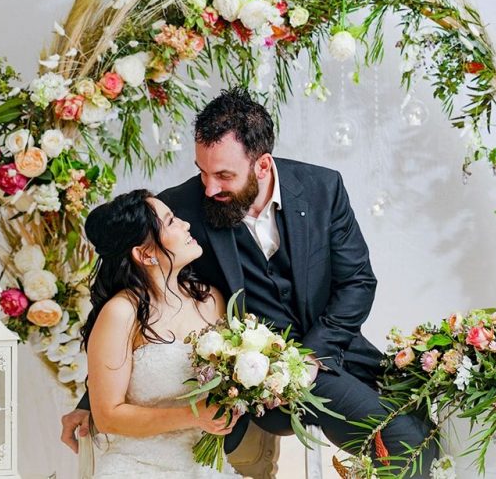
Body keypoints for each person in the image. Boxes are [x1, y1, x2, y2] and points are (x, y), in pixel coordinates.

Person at [63, 88, 436, 477]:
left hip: (333, 353)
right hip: (259, 384)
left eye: (224, 175)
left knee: (422, 430)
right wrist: (93, 402)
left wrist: (308, 359)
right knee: (404, 440)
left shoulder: (322, 188)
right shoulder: (182, 207)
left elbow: (357, 282)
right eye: (202, 171)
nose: (210, 188)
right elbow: (135, 304)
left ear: (262, 164)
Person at [79, 189, 242, 478]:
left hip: (203, 467)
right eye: (171, 222)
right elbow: (107, 416)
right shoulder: (121, 313)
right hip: (139, 467)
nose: (186, 225)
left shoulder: (211, 300)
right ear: (144, 254)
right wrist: (195, 415)